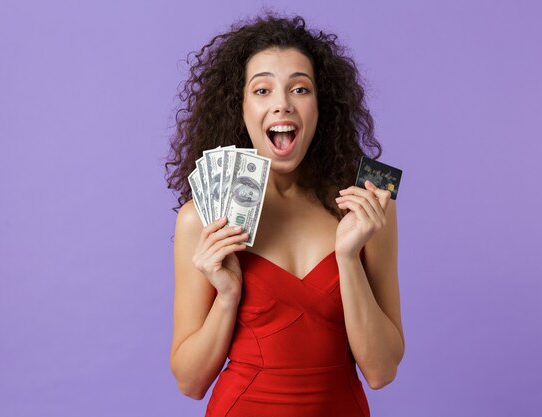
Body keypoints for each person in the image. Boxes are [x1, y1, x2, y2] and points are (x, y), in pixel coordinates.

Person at [165, 14, 404, 417]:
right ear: (239, 107)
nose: (282, 103)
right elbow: (190, 383)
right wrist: (226, 295)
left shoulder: (368, 209)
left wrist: (348, 259)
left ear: (320, 106)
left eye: (300, 88)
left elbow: (381, 372)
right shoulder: (202, 218)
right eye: (262, 89)